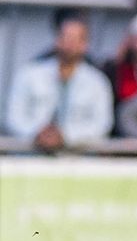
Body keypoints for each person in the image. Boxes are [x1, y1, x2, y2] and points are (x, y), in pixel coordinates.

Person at [4, 14, 113, 151]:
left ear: (85, 44)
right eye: (66, 37)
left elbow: (102, 124)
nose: (70, 44)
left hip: (80, 157)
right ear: (57, 39)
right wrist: (38, 133)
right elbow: (13, 117)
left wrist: (66, 135)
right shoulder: (29, 74)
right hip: (30, 154)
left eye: (76, 39)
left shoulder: (97, 82)